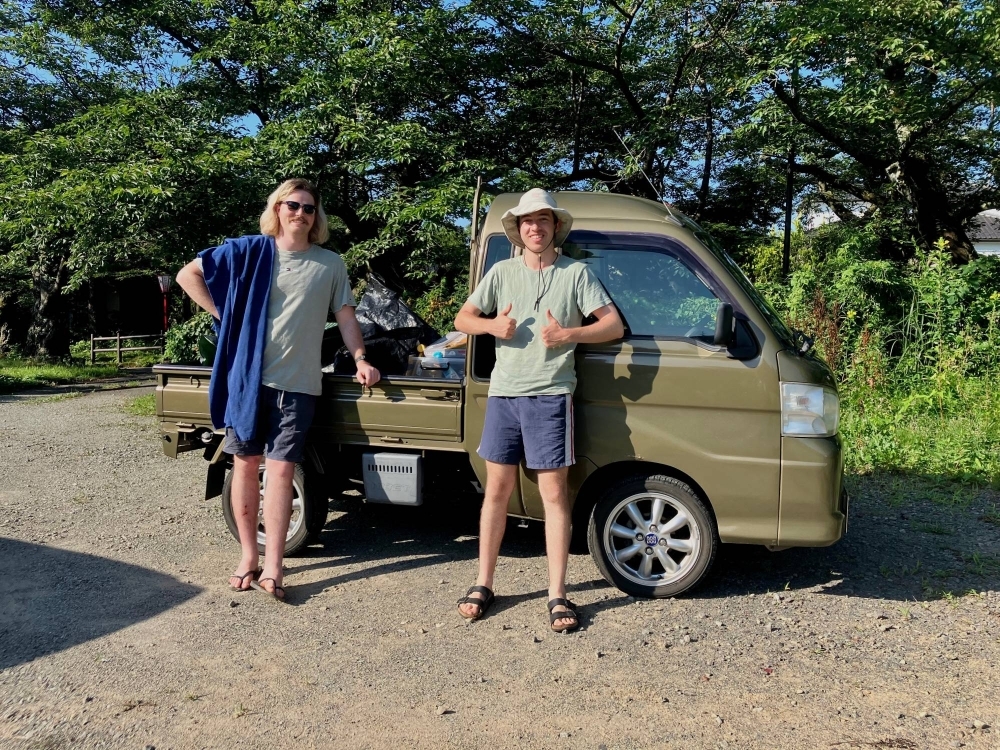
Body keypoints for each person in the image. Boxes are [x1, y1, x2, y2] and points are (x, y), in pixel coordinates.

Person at [176, 178, 380, 601]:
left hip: (298, 385)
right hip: (248, 380)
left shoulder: (329, 264)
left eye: (308, 208)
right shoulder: (251, 251)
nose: (300, 214)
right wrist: (224, 316)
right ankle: (248, 556)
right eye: (293, 205)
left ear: (316, 217)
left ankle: (274, 565)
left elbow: (345, 318)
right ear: (278, 208)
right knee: (246, 467)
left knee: (282, 470)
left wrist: (361, 359)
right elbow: (187, 274)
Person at [454, 188, 624, 632]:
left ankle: (557, 594)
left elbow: (612, 325)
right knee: (496, 491)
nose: (535, 227)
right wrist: (492, 325)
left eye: (543, 220)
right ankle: (483, 582)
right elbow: (462, 319)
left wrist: (568, 335)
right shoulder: (501, 272)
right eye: (527, 221)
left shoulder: (576, 274)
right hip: (503, 395)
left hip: (551, 396)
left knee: (553, 496)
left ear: (555, 227)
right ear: (518, 229)